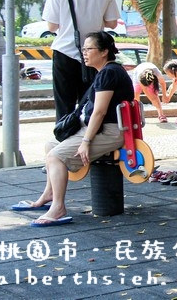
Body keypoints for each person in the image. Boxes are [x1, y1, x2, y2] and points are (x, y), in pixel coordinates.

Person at [23, 31, 133, 226]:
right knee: (51, 145)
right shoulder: (107, 71)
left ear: (104, 51)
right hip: (103, 128)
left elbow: (99, 113)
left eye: (89, 49)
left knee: (55, 157)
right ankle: (49, 194)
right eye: (83, 49)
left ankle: (58, 208)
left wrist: (86, 141)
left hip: (110, 131)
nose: (84, 53)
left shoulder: (109, 73)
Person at [42, 0, 120, 121]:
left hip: (65, 54)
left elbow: (52, 26)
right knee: (92, 106)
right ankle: (89, 143)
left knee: (64, 106)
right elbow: (112, 23)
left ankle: (65, 142)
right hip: (96, 56)